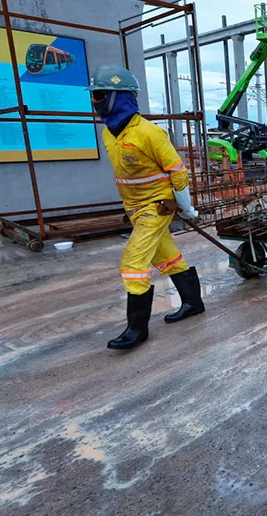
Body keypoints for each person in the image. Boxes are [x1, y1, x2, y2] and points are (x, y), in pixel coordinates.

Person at [90, 65, 205, 350]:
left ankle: (136, 329)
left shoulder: (150, 133)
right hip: (135, 208)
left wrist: (185, 207)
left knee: (132, 263)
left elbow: (178, 173)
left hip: (157, 207)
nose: (95, 102)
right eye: (94, 95)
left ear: (120, 97)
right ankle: (193, 302)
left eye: (101, 95)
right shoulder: (109, 134)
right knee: (167, 258)